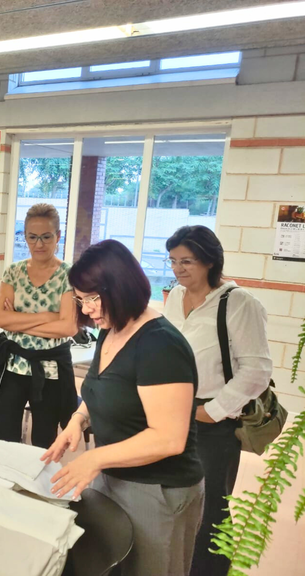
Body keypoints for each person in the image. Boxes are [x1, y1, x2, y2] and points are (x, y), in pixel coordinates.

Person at [43, 239, 205, 576]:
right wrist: (78, 419)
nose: (87, 309)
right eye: (80, 299)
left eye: (92, 298)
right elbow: (106, 388)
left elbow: (169, 438)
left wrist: (94, 458)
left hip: (158, 490)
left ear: (120, 287)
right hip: (113, 475)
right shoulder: (112, 327)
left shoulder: (160, 345)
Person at [162, 225, 272, 576]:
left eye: (187, 261)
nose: (178, 269)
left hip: (213, 421)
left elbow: (257, 370)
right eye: (173, 261)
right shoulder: (174, 297)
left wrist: (212, 411)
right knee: (173, 499)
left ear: (210, 261)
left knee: (210, 510)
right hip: (172, 412)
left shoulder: (239, 303)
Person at [0, 203, 77, 448]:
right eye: (32, 237)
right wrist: (49, 316)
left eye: (46, 237)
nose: (39, 244)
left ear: (58, 236)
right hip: (14, 365)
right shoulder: (13, 272)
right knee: (4, 434)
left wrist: (17, 322)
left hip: (51, 369)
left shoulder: (68, 274)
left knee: (44, 439)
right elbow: (0, 320)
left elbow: (68, 328)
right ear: (25, 237)